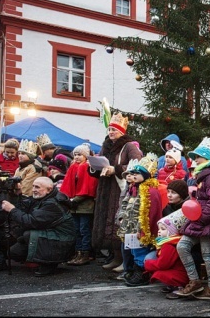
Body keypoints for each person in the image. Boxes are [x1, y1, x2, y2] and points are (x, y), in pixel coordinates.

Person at [171, 137, 210, 300]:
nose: (195, 160)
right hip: (200, 220)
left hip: (208, 222)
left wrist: (200, 220)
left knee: (208, 254)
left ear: (207, 159)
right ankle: (195, 281)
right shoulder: (203, 176)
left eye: (198, 157)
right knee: (183, 246)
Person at [88, 112, 142, 271]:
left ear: (122, 131)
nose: (111, 132)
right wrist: (93, 167)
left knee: (118, 222)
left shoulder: (130, 146)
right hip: (106, 188)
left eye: (114, 130)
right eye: (109, 129)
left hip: (121, 189)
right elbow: (100, 165)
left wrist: (116, 169)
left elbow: (137, 165)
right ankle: (114, 256)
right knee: (107, 222)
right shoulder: (105, 146)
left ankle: (122, 259)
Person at [1, 177, 76, 277]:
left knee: (28, 235)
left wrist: (12, 210)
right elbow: (24, 207)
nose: (33, 190)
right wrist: (16, 195)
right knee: (14, 252)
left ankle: (49, 263)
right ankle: (39, 260)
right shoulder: (44, 197)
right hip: (53, 236)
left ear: (49, 189)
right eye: (33, 186)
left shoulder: (52, 204)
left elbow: (30, 221)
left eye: (37, 187)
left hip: (62, 240)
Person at [117, 153, 161, 287]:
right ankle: (133, 270)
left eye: (137, 173)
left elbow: (151, 213)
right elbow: (126, 204)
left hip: (141, 229)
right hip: (131, 226)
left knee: (141, 251)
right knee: (133, 250)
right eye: (133, 173)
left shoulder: (150, 191)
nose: (134, 176)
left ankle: (142, 273)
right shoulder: (134, 188)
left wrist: (143, 230)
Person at [60, 143, 98, 266]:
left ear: (86, 156)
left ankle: (85, 252)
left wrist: (73, 200)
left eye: (79, 154)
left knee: (84, 230)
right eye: (75, 154)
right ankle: (78, 252)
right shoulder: (73, 167)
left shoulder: (87, 167)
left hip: (85, 205)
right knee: (77, 230)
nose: (76, 157)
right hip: (75, 205)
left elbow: (88, 188)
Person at [144, 213, 189, 297]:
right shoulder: (171, 242)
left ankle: (178, 287)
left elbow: (163, 264)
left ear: (172, 232)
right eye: (159, 229)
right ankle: (172, 285)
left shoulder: (168, 245)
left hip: (180, 274)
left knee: (159, 273)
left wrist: (148, 264)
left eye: (163, 229)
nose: (159, 231)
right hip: (182, 272)